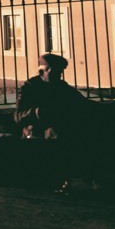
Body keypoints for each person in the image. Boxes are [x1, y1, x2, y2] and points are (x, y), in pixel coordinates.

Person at [14, 52, 96, 190]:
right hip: (36, 131)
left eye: (60, 72)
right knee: (56, 132)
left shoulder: (62, 87)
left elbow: (83, 105)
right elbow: (18, 116)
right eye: (55, 72)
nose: (59, 76)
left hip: (59, 127)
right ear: (43, 71)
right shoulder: (29, 88)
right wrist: (36, 112)